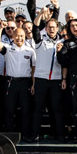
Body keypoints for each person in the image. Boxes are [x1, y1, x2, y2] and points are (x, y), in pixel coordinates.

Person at [0, 22, 35, 141]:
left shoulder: (30, 51)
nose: (19, 38)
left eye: (21, 36)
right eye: (17, 36)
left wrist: (33, 84)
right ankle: (10, 135)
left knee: (26, 110)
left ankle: (25, 134)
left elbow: (33, 68)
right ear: (13, 36)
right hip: (11, 82)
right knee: (9, 109)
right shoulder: (7, 48)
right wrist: (1, 28)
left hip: (25, 83)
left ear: (25, 36)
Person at [31, 11, 66, 142]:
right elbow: (35, 28)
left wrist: (61, 51)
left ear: (57, 28)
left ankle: (60, 135)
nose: (51, 29)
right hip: (41, 79)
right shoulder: (40, 40)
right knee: (38, 108)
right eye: (49, 27)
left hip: (56, 80)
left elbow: (64, 62)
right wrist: (40, 15)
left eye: (54, 27)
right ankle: (34, 134)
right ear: (46, 28)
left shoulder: (62, 42)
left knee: (56, 109)